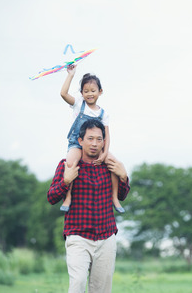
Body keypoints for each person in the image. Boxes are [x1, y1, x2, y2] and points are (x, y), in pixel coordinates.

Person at [47, 119, 130, 293]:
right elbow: (52, 197)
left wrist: (123, 177)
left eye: (99, 139)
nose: (94, 144)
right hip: (78, 236)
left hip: (106, 237)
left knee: (101, 289)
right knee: (77, 284)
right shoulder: (68, 165)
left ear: (104, 142)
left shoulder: (110, 166)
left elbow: (122, 196)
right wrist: (66, 181)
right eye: (90, 138)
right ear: (80, 140)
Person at [59, 64, 124, 213]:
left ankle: (114, 198)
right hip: (77, 143)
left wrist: (104, 153)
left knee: (114, 163)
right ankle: (68, 197)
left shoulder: (103, 114)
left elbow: (107, 136)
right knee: (70, 162)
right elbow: (63, 93)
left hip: (97, 145)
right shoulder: (78, 104)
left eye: (93, 91)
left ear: (100, 92)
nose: (89, 94)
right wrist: (70, 75)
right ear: (81, 93)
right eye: (86, 91)